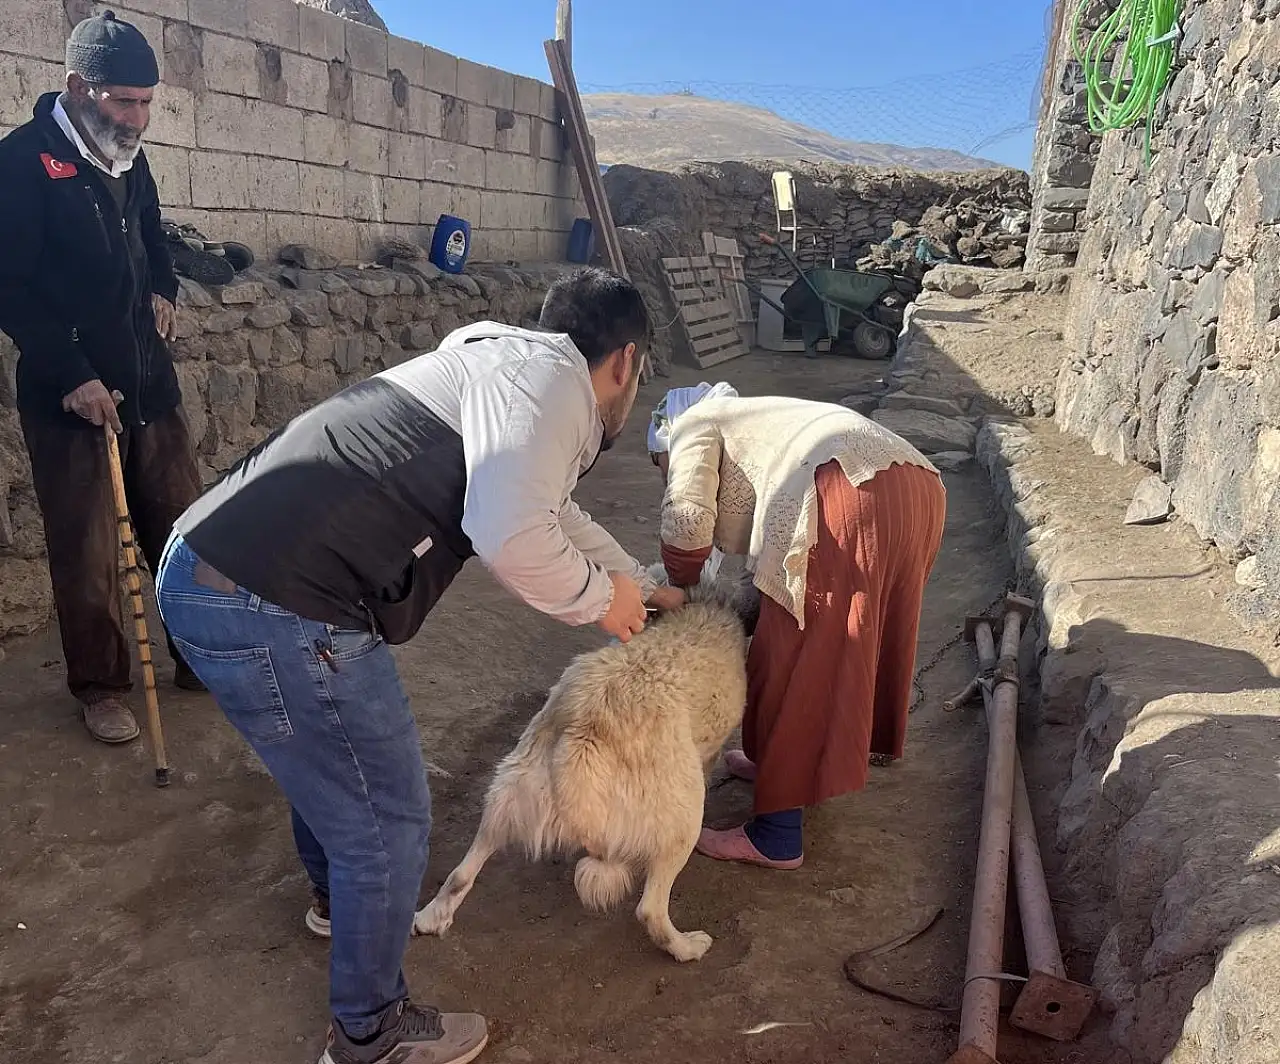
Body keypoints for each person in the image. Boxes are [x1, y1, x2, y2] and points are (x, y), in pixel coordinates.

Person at [154, 268, 684, 1064]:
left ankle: (341, 907)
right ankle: (370, 1034)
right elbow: (509, 532)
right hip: (277, 601)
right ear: (625, 362)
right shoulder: (555, 389)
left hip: (203, 570)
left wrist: (638, 582)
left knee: (330, 762)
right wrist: (596, 602)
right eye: (636, 381)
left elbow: (550, 509)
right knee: (389, 818)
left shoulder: (498, 365)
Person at [0, 10, 205, 745]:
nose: (138, 118)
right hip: (71, 393)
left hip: (150, 379)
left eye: (148, 103)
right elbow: (11, 287)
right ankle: (100, 686)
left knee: (182, 527)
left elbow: (155, 235)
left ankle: (198, 655)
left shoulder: (130, 157)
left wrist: (165, 289)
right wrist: (75, 374)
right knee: (87, 548)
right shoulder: (23, 160)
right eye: (125, 101)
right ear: (78, 87)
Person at [648, 383, 947, 869]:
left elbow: (685, 525)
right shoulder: (765, 424)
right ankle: (782, 764)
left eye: (658, 467)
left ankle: (776, 835)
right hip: (915, 489)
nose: (663, 476)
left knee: (788, 656)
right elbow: (760, 589)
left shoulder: (691, 424)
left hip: (847, 491)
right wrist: (726, 616)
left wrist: (683, 598)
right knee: (837, 640)